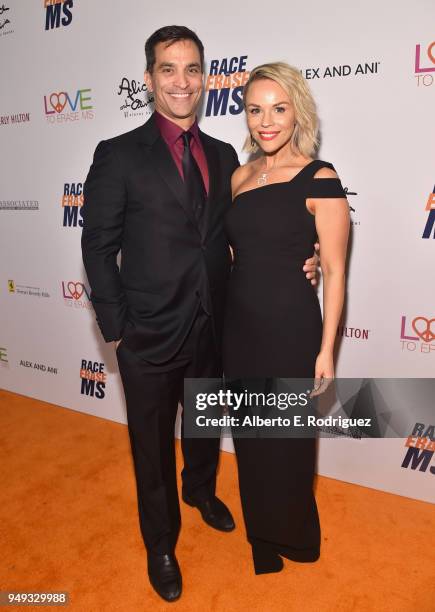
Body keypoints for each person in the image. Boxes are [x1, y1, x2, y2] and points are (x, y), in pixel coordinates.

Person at [81, 27, 319, 602]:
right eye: (168, 69)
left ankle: (203, 491)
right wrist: (118, 330)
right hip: (148, 331)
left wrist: (304, 259)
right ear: (150, 80)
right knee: (152, 445)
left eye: (192, 69)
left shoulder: (224, 156)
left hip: (217, 324)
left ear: (206, 79)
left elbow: (249, 233)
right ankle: (160, 542)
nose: (181, 82)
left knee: (206, 427)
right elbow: (96, 247)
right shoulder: (117, 155)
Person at [223, 62, 350, 574]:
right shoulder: (239, 176)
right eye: (255, 110)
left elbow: (336, 274)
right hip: (240, 326)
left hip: (292, 327)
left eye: (278, 108)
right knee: (250, 437)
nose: (266, 121)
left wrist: (325, 352)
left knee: (289, 442)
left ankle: (296, 537)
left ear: (298, 110)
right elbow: (237, 253)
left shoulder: (321, 178)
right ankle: (261, 535)